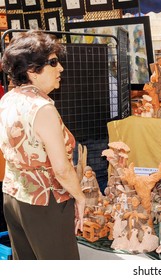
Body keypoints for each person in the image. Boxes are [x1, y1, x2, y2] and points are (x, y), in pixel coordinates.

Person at [0, 31, 86, 259]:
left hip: (13, 197)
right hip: (47, 202)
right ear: (32, 71)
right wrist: (81, 197)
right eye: (53, 62)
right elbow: (61, 169)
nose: (61, 69)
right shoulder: (42, 108)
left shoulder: (8, 99)